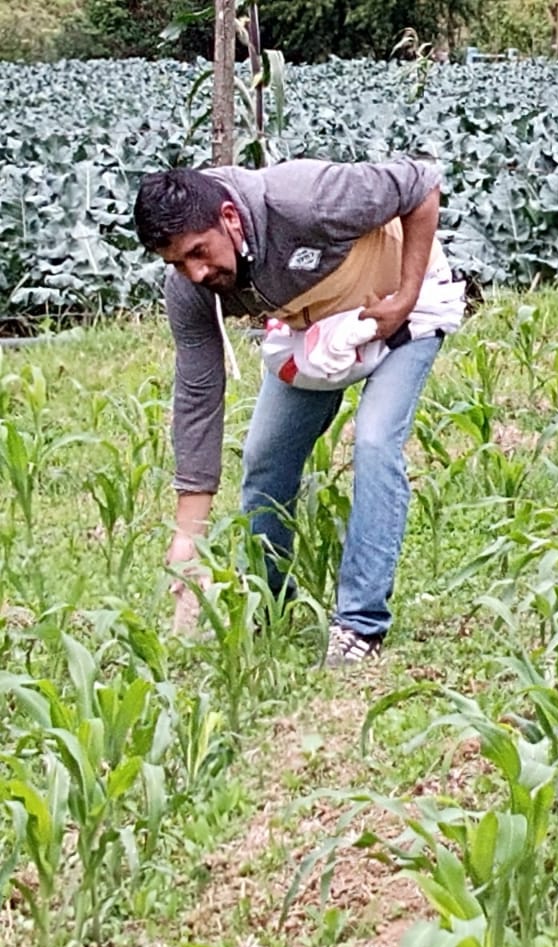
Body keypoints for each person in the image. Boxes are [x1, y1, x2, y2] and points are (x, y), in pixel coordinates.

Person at [133, 157, 461, 665]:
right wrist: (187, 540)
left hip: (399, 306)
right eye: (177, 263)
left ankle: (360, 625)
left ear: (230, 219)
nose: (195, 272)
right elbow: (198, 399)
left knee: (374, 440)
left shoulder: (306, 200)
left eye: (199, 252)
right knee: (266, 456)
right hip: (317, 329)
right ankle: (271, 603)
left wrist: (406, 295)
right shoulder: (191, 291)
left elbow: (422, 184)